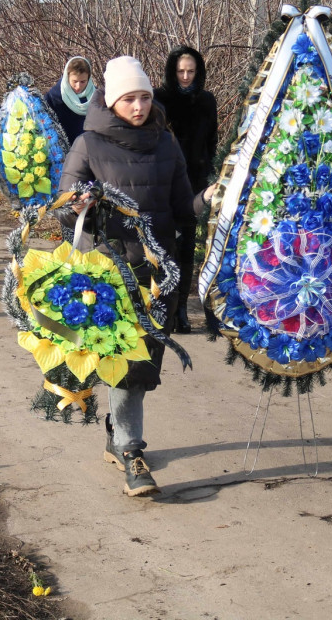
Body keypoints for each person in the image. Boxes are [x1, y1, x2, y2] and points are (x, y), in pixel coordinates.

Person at [58, 56, 196, 498]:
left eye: (144, 97)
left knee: (142, 364)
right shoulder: (89, 145)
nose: (139, 107)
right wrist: (74, 207)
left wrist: (212, 201)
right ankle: (132, 451)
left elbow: (182, 208)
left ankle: (117, 434)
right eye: (129, 99)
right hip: (110, 272)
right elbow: (62, 210)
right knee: (126, 362)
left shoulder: (166, 143)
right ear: (112, 100)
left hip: (158, 272)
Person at [155, 46, 218, 333]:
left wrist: (208, 174)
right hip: (164, 181)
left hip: (194, 183)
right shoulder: (159, 99)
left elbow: (212, 142)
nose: (185, 76)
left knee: (187, 248)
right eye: (180, 71)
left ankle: (181, 309)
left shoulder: (206, 101)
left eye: (191, 71)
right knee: (164, 245)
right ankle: (161, 305)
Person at [45, 55, 96, 145]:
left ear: (89, 79)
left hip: (91, 148)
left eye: (83, 82)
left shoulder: (97, 96)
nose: (78, 86)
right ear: (67, 78)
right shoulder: (54, 97)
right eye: (75, 81)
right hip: (62, 150)